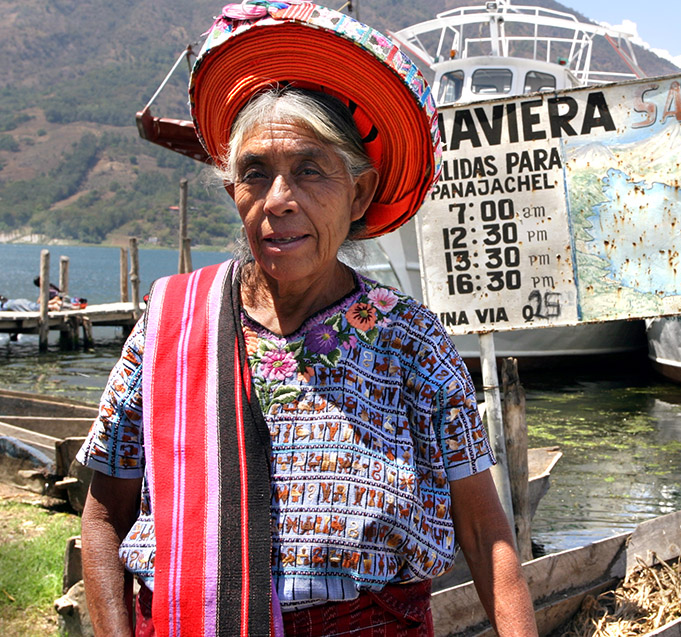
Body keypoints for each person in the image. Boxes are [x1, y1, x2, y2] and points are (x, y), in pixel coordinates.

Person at [77, 3, 536, 637]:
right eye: (255, 173)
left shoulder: (410, 340)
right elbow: (104, 519)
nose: (279, 202)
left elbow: (486, 533)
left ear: (360, 193)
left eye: (311, 171)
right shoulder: (172, 322)